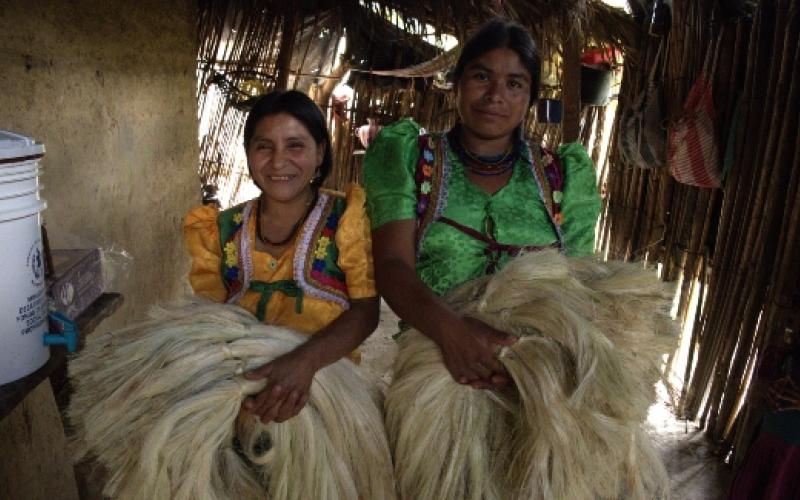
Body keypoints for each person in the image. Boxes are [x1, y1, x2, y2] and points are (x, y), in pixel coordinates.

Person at [363, 18, 600, 390]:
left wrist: (528, 366)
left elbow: (578, 282)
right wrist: (452, 333)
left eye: (514, 84)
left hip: (537, 373)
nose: (495, 96)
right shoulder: (410, 159)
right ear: (456, 83)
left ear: (531, 97)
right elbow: (392, 265)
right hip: (434, 365)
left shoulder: (564, 177)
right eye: (481, 77)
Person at [184, 90, 379, 423]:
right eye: (264, 147)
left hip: (327, 387)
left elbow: (365, 312)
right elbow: (212, 318)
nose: (278, 161)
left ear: (320, 152)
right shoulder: (220, 229)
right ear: (248, 153)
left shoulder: (346, 219)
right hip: (243, 388)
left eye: (295, 146)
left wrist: (304, 363)